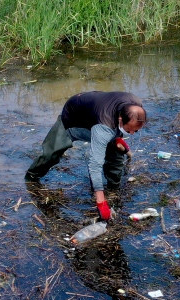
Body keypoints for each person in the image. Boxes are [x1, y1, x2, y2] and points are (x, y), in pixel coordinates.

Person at [25, 91, 147, 221]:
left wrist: (118, 136)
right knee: (50, 155)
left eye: (135, 130)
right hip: (74, 116)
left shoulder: (136, 104)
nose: (132, 133)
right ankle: (30, 179)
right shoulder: (103, 128)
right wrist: (101, 202)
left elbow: (121, 122)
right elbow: (94, 165)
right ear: (120, 119)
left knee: (115, 156)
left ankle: (114, 188)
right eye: (129, 130)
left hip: (99, 112)